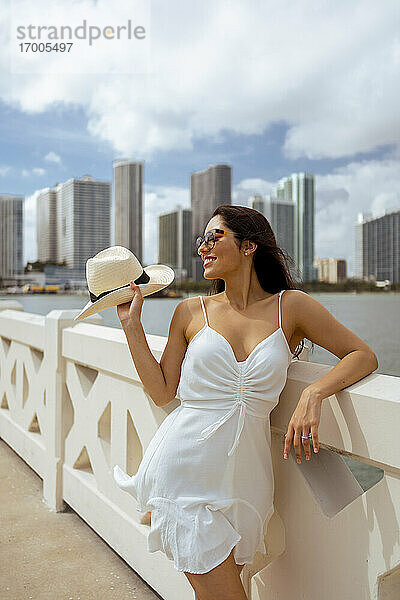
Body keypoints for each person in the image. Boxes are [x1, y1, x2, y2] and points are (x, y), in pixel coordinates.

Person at [113, 205, 378, 600]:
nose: (203, 246)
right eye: (201, 239)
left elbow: (362, 355)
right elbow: (163, 391)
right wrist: (132, 327)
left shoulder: (292, 307)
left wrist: (314, 392)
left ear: (249, 245)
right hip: (185, 473)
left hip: (247, 481)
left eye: (214, 236)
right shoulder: (189, 311)